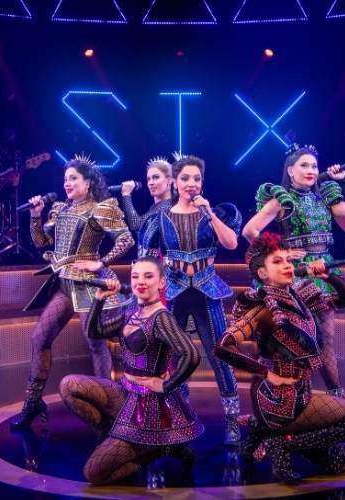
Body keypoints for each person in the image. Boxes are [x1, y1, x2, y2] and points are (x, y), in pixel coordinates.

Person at [215, 233, 345, 484]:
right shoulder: (264, 306)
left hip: (302, 392)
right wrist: (267, 373)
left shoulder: (299, 295)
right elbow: (223, 347)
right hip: (278, 398)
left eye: (288, 260)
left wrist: (328, 276)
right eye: (277, 262)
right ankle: (281, 443)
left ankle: (261, 430)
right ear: (262, 273)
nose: (287, 266)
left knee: (338, 462)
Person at [10, 155, 135, 430]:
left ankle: (108, 408)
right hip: (64, 284)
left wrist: (101, 262)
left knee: (95, 344)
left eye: (73, 179)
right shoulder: (60, 208)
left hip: (88, 284)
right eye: (65, 179)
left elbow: (126, 239)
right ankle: (33, 404)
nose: (67, 183)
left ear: (88, 182)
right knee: (39, 338)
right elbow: (42, 242)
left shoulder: (100, 208)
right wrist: (35, 215)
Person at [59, 256, 202, 485]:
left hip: (148, 408)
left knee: (93, 473)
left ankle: (159, 448)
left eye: (148, 276)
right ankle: (112, 433)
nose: (140, 282)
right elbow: (95, 332)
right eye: (135, 276)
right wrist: (99, 300)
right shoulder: (131, 310)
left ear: (161, 282)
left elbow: (191, 355)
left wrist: (165, 386)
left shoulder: (161, 318)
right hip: (126, 393)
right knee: (69, 385)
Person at [242, 144, 345, 398]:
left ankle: (337, 397)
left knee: (326, 339)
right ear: (290, 170)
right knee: (287, 338)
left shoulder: (325, 196)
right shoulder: (282, 198)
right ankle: (274, 395)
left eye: (314, 166)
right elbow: (250, 231)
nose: (311, 170)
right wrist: (281, 252)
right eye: (304, 165)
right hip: (294, 274)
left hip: (322, 274)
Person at [139, 154, 243, 444]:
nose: (191, 183)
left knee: (221, 354)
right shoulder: (160, 218)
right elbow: (147, 257)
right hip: (174, 290)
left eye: (196, 178)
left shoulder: (213, 213)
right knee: (170, 357)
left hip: (207, 290)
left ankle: (232, 421)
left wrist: (209, 213)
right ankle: (178, 413)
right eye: (185, 178)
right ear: (175, 181)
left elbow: (231, 243)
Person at [119, 156, 174, 241]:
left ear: (169, 180)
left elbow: (136, 225)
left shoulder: (167, 206)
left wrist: (126, 195)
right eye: (148, 179)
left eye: (156, 177)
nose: (151, 183)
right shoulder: (156, 206)